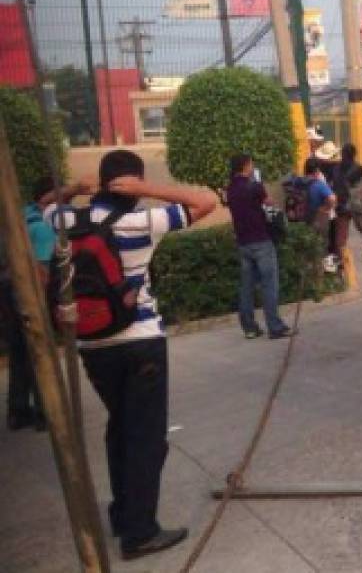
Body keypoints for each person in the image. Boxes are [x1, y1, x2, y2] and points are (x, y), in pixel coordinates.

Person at [44, 150, 216, 561]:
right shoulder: (142, 221)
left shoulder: (68, 220)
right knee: (146, 439)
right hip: (140, 341)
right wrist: (149, 189)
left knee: (120, 427)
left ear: (101, 184)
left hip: (92, 345)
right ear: (133, 183)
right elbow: (205, 202)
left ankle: (123, 514)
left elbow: (44, 205)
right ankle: (140, 532)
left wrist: (74, 189)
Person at [2, 175, 64, 431]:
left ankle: (17, 412)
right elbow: (41, 273)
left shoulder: (21, 215)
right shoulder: (42, 227)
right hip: (28, 297)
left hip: (6, 294)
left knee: (19, 354)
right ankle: (44, 412)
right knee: (40, 352)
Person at [227, 154, 291, 340]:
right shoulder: (254, 186)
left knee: (246, 286)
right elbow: (269, 203)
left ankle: (249, 328)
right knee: (269, 284)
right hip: (261, 240)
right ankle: (275, 326)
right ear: (246, 166)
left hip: (243, 242)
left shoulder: (230, 189)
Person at [329, 144, 362, 258]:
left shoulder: (335, 168)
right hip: (357, 204)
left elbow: (332, 185)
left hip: (341, 204)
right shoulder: (360, 168)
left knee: (341, 234)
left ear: (342, 154)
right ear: (355, 154)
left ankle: (340, 257)